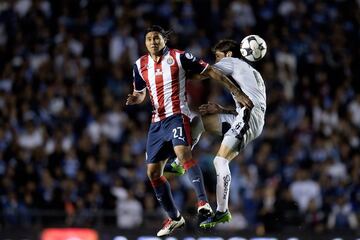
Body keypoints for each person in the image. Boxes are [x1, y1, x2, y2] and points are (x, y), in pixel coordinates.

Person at [126, 26, 252, 237]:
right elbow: (140, 93)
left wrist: (236, 91)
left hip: (177, 116)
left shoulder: (178, 57)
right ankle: (174, 218)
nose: (152, 42)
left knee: (183, 153)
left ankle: (203, 203)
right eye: (148, 39)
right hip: (156, 123)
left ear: (164, 40)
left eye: (156, 38)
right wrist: (136, 99)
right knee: (153, 173)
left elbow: (210, 71)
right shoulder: (140, 65)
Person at [197, 39, 267, 228]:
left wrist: (181, 70)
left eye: (218, 56)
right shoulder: (252, 73)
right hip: (246, 117)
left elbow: (206, 72)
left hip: (248, 117)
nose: (217, 61)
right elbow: (251, 105)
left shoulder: (233, 62)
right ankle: (180, 161)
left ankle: (222, 211)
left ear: (228, 55)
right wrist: (222, 109)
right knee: (200, 122)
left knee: (220, 161)